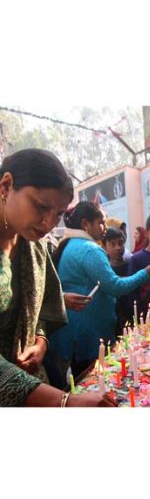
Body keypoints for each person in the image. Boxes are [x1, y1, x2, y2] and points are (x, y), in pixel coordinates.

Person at [0, 149, 116, 406]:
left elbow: (42, 308)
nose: (49, 223)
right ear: (6, 186)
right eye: (41, 207)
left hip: (34, 383)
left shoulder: (35, 248)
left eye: (59, 214)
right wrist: (64, 402)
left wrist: (40, 341)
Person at [48, 202, 150, 386]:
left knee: (81, 382)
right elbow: (115, 287)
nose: (105, 227)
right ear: (86, 224)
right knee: (95, 383)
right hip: (89, 335)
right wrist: (145, 274)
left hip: (72, 331)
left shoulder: (69, 244)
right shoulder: (89, 249)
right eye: (101, 222)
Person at [103, 227, 130, 337]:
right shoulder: (104, 270)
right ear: (105, 247)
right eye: (113, 244)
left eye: (121, 243)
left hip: (130, 312)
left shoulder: (131, 265)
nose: (118, 248)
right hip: (112, 316)